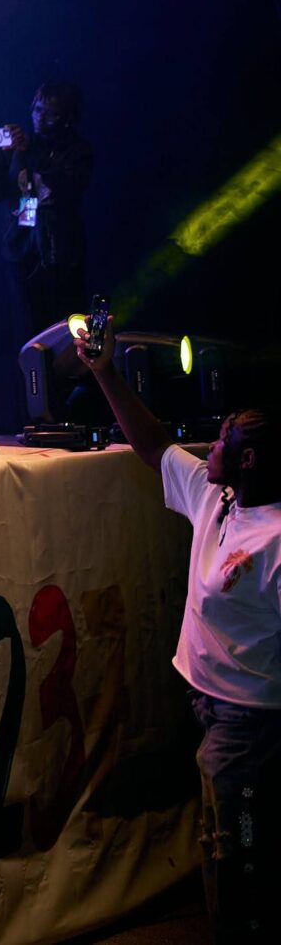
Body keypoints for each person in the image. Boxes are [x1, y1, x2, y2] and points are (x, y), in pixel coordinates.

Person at [79, 326, 280, 938]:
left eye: (223, 440)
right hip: (209, 707)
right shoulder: (217, 499)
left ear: (249, 460)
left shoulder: (275, 538)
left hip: (251, 723)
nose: (210, 445)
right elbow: (154, 445)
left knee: (239, 850)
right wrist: (104, 371)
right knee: (223, 841)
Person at [0, 83, 94, 341]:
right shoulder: (20, 147)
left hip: (62, 247)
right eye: (38, 110)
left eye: (51, 114)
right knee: (29, 328)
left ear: (66, 118)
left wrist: (30, 152)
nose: (41, 118)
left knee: (66, 326)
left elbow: (67, 187)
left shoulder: (76, 150)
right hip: (23, 247)